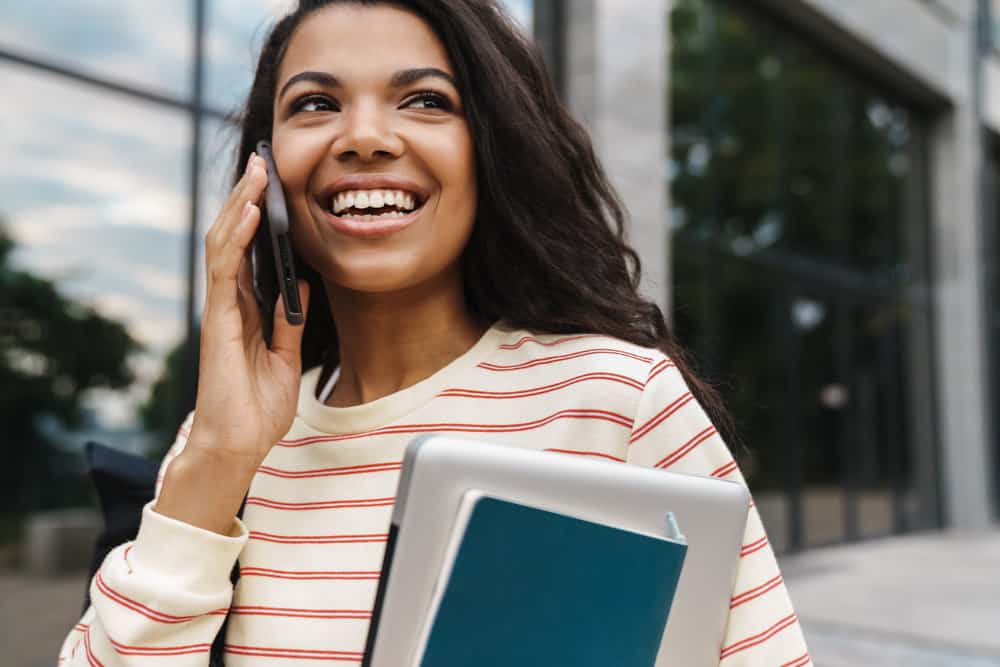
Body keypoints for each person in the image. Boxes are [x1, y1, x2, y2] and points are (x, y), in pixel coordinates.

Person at [59, 1, 811, 664]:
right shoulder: (221, 442)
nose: (363, 137)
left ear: (490, 147)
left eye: (423, 100)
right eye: (315, 104)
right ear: (267, 176)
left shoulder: (618, 401)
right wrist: (216, 462)